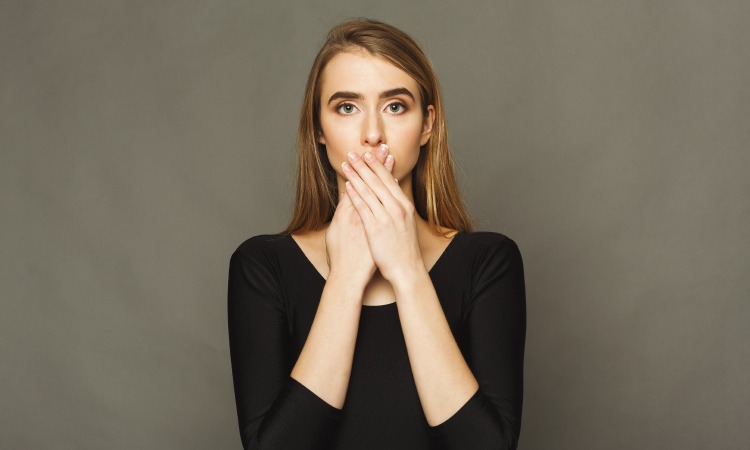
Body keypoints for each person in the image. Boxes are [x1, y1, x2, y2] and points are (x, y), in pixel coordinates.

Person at [227, 18, 526, 450]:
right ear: (318, 129)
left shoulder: (488, 261)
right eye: (347, 107)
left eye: (395, 106)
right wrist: (346, 279)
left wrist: (406, 270)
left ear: (426, 125)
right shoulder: (262, 266)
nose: (371, 134)